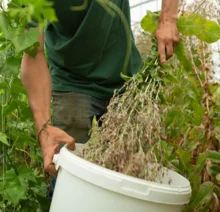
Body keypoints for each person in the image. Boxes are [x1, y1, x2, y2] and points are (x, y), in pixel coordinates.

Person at [21, 0, 179, 183]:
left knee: (129, 177)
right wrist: (45, 130)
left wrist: (168, 18)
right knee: (67, 174)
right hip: (70, 79)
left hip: (125, 80)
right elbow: (33, 53)